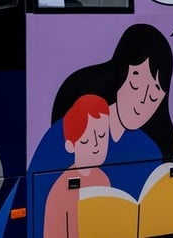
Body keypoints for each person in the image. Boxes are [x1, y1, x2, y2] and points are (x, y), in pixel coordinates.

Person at [27, 23, 173, 234]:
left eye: (153, 96)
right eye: (135, 85)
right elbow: (35, 202)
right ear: (119, 73)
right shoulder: (70, 130)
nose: (142, 102)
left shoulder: (151, 150)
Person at [42, 94, 112, 238]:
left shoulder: (103, 178)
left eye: (102, 136)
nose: (96, 146)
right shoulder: (59, 191)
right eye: (86, 140)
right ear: (70, 146)